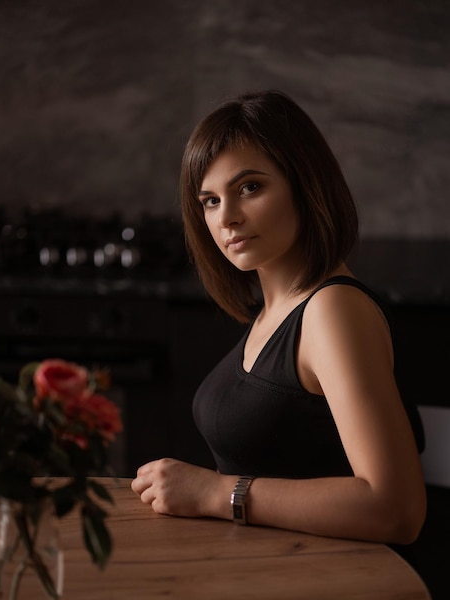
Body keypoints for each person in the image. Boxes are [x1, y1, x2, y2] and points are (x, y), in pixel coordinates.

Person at [131, 90, 426, 545]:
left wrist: (214, 493)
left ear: (306, 185)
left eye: (250, 187)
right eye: (210, 200)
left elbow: (395, 509)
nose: (226, 217)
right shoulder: (277, 307)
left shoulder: (332, 311)